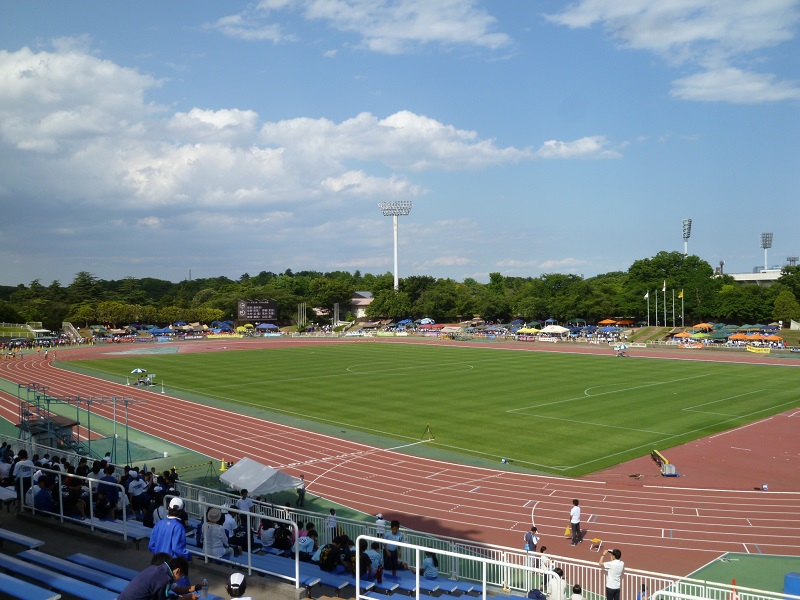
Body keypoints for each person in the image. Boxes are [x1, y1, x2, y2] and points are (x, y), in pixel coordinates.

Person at [117, 555, 199, 600]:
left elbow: (177, 590)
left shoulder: (159, 569)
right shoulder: (164, 579)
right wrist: (186, 598)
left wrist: (196, 588)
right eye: (181, 576)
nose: (180, 579)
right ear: (177, 571)